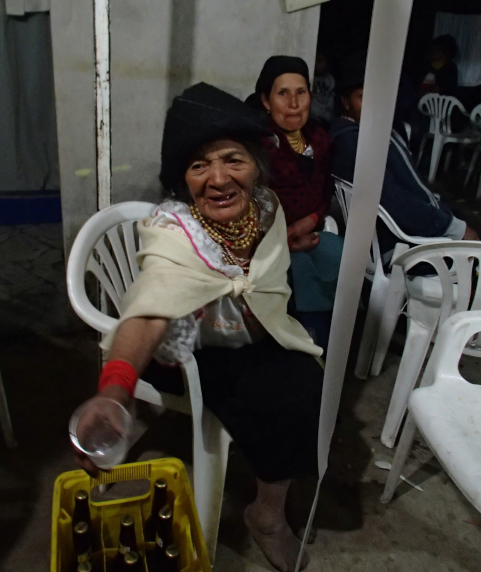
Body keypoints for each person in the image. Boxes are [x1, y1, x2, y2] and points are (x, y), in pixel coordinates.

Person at [74, 83, 324, 572]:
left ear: (257, 165)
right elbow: (150, 309)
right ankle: (267, 518)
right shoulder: (174, 230)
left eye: (233, 160)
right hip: (181, 349)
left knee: (311, 377)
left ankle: (266, 504)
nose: (217, 179)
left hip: (254, 331)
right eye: (198, 166)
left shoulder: (266, 210)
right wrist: (113, 390)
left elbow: (265, 280)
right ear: (183, 180)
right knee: (287, 393)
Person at [330, 51, 479, 263]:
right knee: (474, 255)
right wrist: (454, 228)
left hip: (420, 228)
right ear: (345, 102)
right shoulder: (354, 143)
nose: (374, 103)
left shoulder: (377, 131)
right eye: (364, 96)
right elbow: (394, 201)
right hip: (402, 246)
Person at [246, 56, 343, 347]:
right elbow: (247, 211)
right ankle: (299, 343)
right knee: (298, 265)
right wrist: (285, 240)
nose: (294, 103)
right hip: (262, 244)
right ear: (266, 100)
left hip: (306, 231)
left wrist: (311, 220)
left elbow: (325, 193)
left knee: (336, 253)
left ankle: (321, 343)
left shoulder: (320, 138)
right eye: (282, 93)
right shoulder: (258, 145)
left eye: (301, 92)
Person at [310, 49, 336, 125]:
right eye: (314, 60)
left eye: (320, 61)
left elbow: (331, 99)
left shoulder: (329, 79)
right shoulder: (311, 78)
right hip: (313, 117)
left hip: (327, 117)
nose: (316, 64)